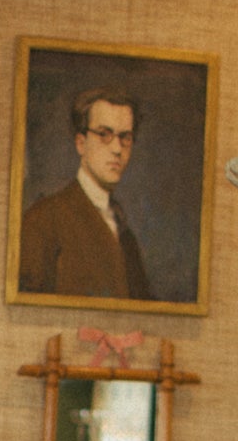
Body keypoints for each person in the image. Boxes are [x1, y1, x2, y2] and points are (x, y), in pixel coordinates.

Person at [18, 88, 151, 301]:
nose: (117, 149)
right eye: (104, 134)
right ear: (81, 143)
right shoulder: (42, 220)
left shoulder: (125, 234)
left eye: (125, 137)